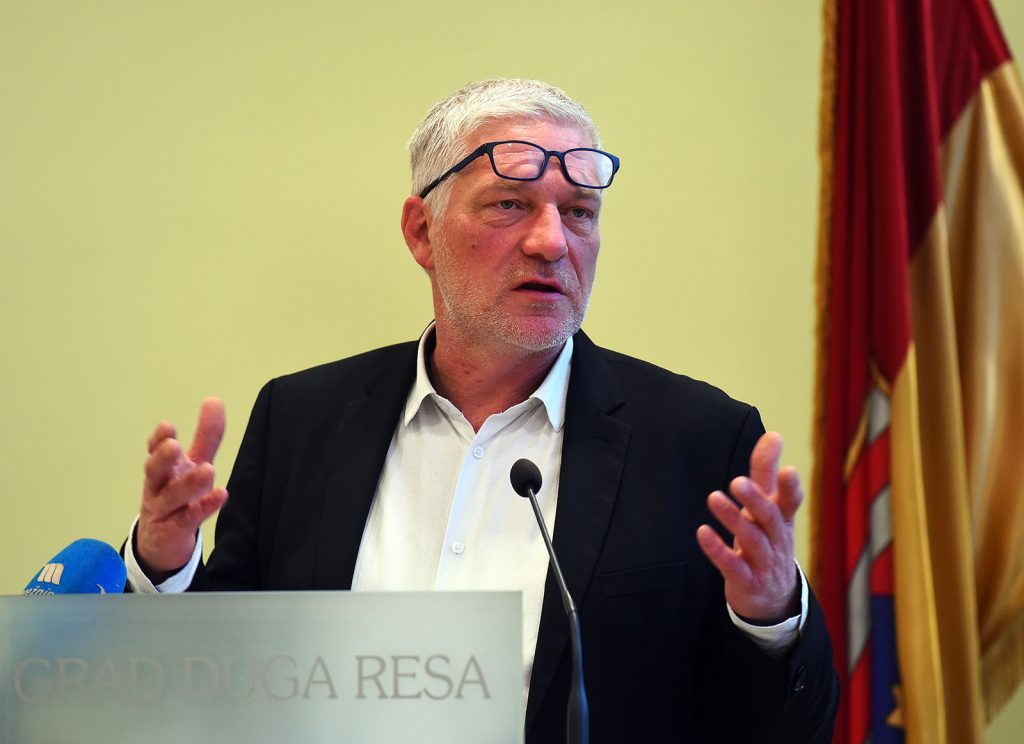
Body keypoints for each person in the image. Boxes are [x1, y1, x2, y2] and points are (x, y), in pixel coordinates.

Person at [125, 79, 839, 742]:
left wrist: (770, 616)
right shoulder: (302, 419)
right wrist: (166, 563)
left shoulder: (699, 440)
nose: (552, 242)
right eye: (510, 205)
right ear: (421, 232)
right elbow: (219, 682)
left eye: (579, 212)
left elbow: (781, 730)